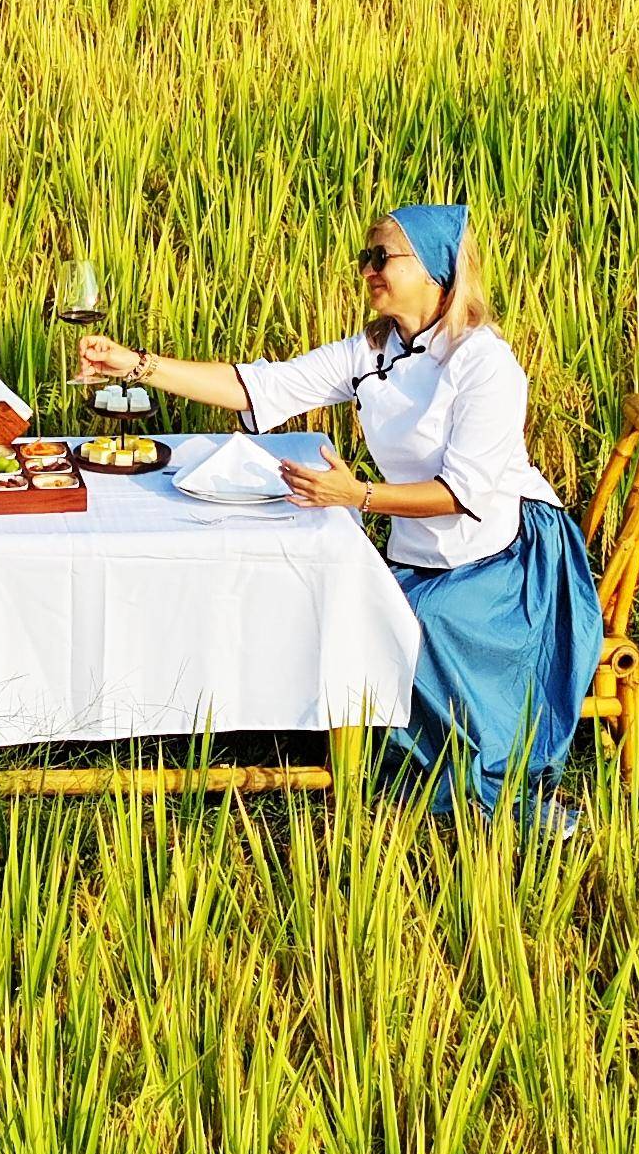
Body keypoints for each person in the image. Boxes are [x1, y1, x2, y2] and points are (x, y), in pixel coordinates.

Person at [71, 205, 599, 827]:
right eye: (366, 258)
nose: (369, 270)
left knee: (389, 621)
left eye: (384, 258)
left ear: (435, 269)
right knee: (344, 605)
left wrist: (358, 497)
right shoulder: (377, 349)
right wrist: (136, 365)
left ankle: (481, 788)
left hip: (507, 555)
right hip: (423, 548)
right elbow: (262, 387)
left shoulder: (485, 365)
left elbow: (467, 494)